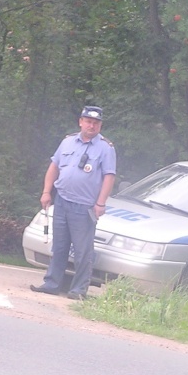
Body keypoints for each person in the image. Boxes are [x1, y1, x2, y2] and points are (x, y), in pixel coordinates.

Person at [30, 105, 116, 300]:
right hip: (62, 200)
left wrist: (100, 203)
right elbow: (54, 167)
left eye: (96, 123)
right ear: (81, 122)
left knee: (82, 250)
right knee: (59, 246)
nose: (91, 125)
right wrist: (46, 191)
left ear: (100, 125)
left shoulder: (105, 148)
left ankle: (78, 290)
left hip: (84, 205)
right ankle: (52, 283)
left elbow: (109, 177)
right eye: (88, 121)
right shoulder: (67, 142)